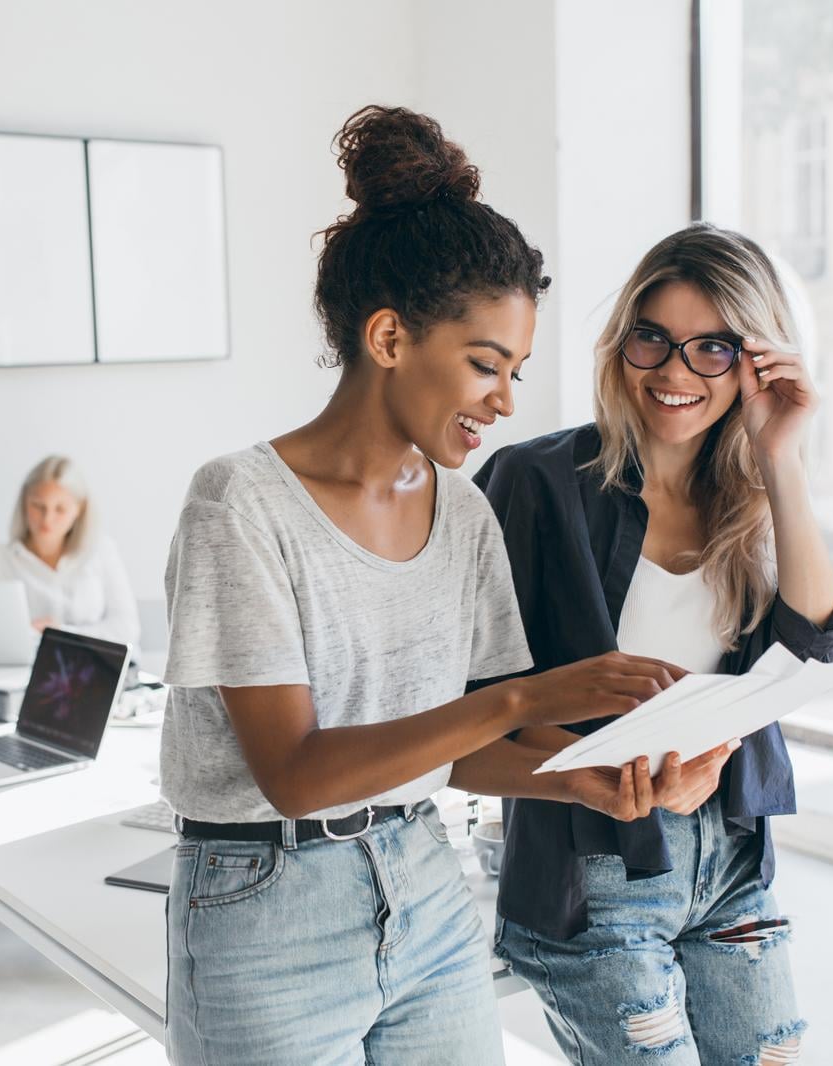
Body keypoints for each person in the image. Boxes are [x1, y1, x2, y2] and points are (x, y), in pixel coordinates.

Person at [157, 105, 688, 1066]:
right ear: (391, 338)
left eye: (517, 370)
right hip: (262, 907)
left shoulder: (465, 513)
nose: (507, 400)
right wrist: (533, 698)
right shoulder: (240, 504)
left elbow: (453, 757)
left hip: (424, 881)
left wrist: (592, 784)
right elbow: (297, 774)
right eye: (487, 364)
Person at [461, 223, 833, 1065]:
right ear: (622, 343)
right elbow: (475, 703)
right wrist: (596, 773)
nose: (674, 372)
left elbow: (814, 652)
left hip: (733, 865)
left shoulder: (753, 501)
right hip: (594, 870)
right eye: (654, 339)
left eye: (713, 349)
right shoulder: (534, 482)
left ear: (755, 365)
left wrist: (782, 458)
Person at [0, 455, 140, 658]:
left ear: (79, 510)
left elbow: (127, 629)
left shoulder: (101, 552)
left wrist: (60, 634)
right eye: (38, 506)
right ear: (24, 503)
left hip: (97, 671)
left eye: (60, 509)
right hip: (25, 675)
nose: (48, 518)